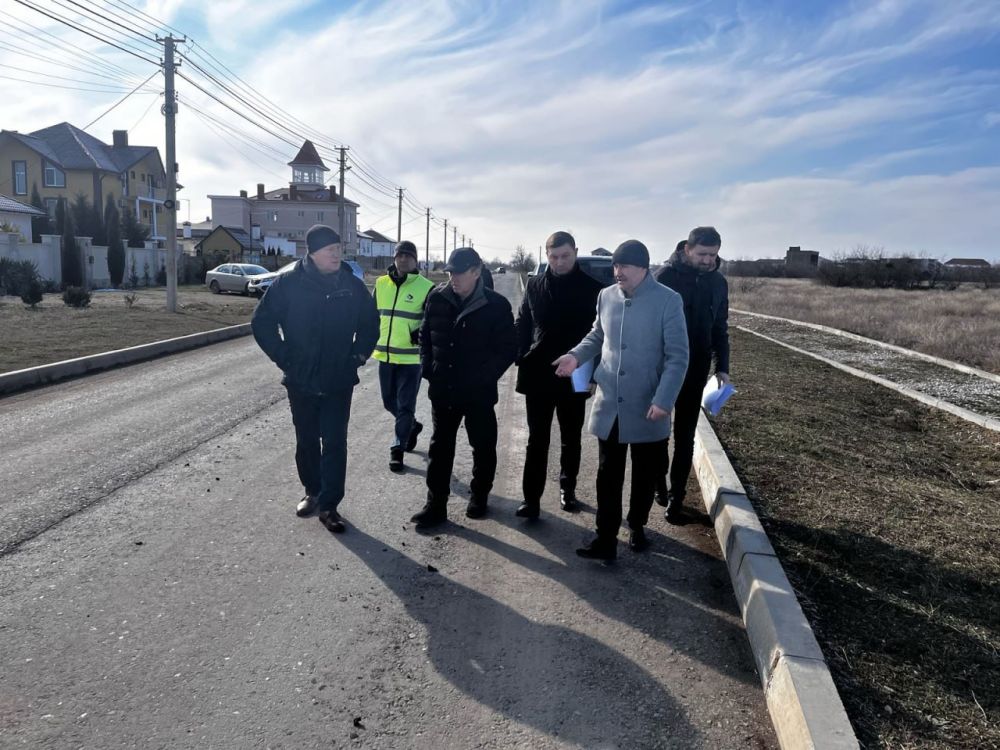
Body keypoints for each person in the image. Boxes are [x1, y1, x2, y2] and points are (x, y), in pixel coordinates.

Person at [554, 240, 688, 561]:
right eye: (615, 266)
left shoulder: (668, 301)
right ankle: (605, 537)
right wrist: (576, 356)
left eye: (624, 266)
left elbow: (677, 357)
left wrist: (664, 398)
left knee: (644, 474)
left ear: (643, 267)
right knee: (607, 474)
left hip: (647, 404)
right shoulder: (606, 296)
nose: (618, 272)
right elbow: (597, 335)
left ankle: (637, 526)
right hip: (611, 402)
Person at [251, 225, 379, 534]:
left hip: (338, 378)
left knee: (335, 441)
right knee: (307, 440)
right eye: (329, 249)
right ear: (312, 253)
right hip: (301, 378)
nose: (336, 253)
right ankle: (313, 491)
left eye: (338, 248)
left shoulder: (351, 285)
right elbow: (262, 323)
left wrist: (358, 356)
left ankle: (330, 505)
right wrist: (284, 357)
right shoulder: (288, 284)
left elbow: (370, 323)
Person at [411, 247, 517, 528]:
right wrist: (428, 368)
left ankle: (479, 495)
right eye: (450, 273)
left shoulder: (496, 305)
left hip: (478, 392)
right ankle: (435, 505)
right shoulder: (437, 297)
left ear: (476, 271)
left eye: (459, 273)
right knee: (440, 448)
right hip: (443, 389)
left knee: (482, 445)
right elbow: (425, 336)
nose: (453, 278)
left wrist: (484, 376)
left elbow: (507, 349)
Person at [514, 231, 603, 518]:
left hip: (576, 373)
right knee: (537, 439)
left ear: (575, 252)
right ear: (546, 255)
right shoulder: (535, 284)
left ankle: (568, 488)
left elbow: (600, 336)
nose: (559, 262)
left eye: (565, 256)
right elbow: (523, 322)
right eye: (553, 257)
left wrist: (593, 376)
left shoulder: (594, 289)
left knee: (570, 436)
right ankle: (531, 499)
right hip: (539, 372)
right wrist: (520, 354)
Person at [654, 227, 729, 523]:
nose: (708, 260)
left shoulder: (719, 283)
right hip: (663, 368)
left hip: (696, 369)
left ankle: (677, 496)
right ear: (687, 249)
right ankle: (658, 481)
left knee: (685, 436)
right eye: (702, 254)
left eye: (713, 254)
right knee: (658, 432)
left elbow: (720, 327)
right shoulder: (664, 277)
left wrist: (722, 367)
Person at [373, 240, 435, 473]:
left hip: (411, 360)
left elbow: (432, 320)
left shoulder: (426, 287)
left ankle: (397, 450)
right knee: (390, 402)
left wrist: (420, 333)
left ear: (415, 260)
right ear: (394, 258)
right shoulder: (380, 284)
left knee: (405, 406)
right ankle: (413, 427)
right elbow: (372, 316)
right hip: (385, 357)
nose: (404, 259)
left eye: (409, 256)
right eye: (400, 255)